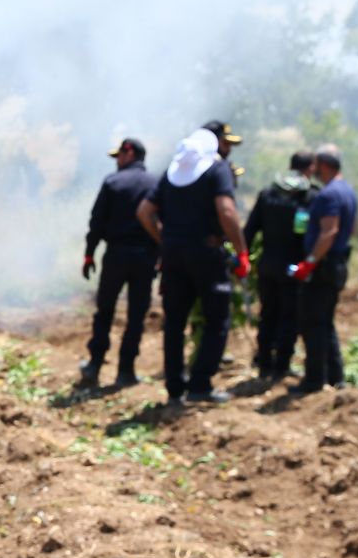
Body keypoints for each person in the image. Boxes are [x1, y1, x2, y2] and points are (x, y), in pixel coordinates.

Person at [135, 126, 251, 405]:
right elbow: (226, 210)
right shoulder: (216, 170)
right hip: (206, 254)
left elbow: (144, 212)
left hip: (173, 257)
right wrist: (242, 252)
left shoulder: (171, 175)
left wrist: (166, 239)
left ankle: (175, 388)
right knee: (217, 319)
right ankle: (200, 384)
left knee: (174, 322)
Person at [78, 138, 159, 389]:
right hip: (146, 257)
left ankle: (95, 364)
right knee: (137, 315)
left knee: (105, 311)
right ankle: (126, 371)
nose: (117, 162)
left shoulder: (112, 182)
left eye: (119, 157)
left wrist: (89, 253)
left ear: (129, 153)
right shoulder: (156, 183)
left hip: (116, 255)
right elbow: (162, 222)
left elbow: (96, 221)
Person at [289, 145, 358, 393]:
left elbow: (329, 231)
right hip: (336, 264)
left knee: (313, 323)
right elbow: (352, 228)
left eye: (317, 165)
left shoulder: (328, 195)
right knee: (325, 322)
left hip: (323, 268)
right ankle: (335, 376)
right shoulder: (347, 191)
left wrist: (309, 262)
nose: (314, 170)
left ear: (325, 166)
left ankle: (314, 380)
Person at [243, 152, 315, 380]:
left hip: (267, 265)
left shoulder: (267, 194)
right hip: (293, 268)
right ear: (310, 168)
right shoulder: (308, 196)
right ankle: (281, 366)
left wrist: (241, 257)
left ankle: (264, 364)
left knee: (268, 315)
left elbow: (249, 230)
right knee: (289, 317)